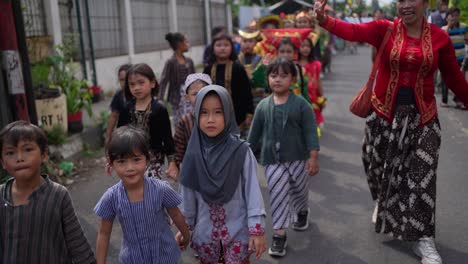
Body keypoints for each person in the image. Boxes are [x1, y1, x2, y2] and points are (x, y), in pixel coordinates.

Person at [314, 0, 468, 263]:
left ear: (425, 3)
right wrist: (324, 19)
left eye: (412, 0)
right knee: (377, 167)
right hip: (383, 117)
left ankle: (423, 238)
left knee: (422, 180)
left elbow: (454, 78)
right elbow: (352, 32)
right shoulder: (383, 29)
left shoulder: (440, 38)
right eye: (401, 1)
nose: (406, 5)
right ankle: (382, 202)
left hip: (424, 119)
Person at [178, 85, 267, 263]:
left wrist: (256, 230)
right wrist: (184, 228)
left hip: (237, 233)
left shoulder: (241, 151)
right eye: (203, 112)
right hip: (205, 236)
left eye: (218, 112)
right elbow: (187, 196)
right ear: (195, 114)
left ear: (228, 113)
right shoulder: (193, 153)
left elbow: (252, 193)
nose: (210, 119)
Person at [248, 58, 320, 257]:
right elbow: (253, 135)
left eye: (283, 75)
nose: (277, 79)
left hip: (298, 158)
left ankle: (302, 211)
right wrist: (245, 154)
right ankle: (279, 235)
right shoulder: (263, 106)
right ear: (268, 79)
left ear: (293, 79)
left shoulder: (302, 105)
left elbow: (310, 132)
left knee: (299, 191)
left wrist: (313, 157)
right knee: (278, 194)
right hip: (272, 161)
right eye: (273, 75)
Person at [0, 121, 96, 263]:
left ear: (44, 155)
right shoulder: (1, 195)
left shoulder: (57, 195)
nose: (19, 158)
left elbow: (78, 245)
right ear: (2, 162)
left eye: (27, 149)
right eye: (10, 153)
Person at [95, 126, 190, 264]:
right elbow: (104, 233)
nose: (130, 168)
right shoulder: (111, 197)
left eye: (136, 160)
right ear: (111, 164)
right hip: (133, 259)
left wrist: (186, 236)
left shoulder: (161, 189)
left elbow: (176, 215)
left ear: (147, 159)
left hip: (166, 257)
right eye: (122, 161)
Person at [121, 63, 178, 180]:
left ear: (152, 83)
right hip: (130, 158)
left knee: (151, 188)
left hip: (154, 160)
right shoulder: (126, 108)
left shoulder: (160, 109)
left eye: (141, 82)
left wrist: (172, 163)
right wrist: (113, 157)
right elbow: (119, 134)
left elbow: (167, 138)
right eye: (132, 84)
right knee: (133, 187)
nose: (136, 87)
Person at [203, 35, 254, 130]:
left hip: (237, 115)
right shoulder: (208, 69)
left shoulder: (238, 69)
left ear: (232, 48)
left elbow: (246, 91)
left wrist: (249, 113)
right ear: (212, 48)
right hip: (213, 114)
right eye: (218, 45)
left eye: (226, 45)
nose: (222, 48)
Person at [172, 73, 212, 176]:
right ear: (187, 97)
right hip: (194, 170)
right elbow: (179, 146)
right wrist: (175, 165)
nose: (200, 96)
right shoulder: (185, 121)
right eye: (195, 94)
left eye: (204, 92)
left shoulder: (220, 117)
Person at [159, 32, 195, 121]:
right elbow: (164, 81)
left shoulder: (189, 61)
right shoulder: (171, 62)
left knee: (192, 121)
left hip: (190, 97)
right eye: (186, 42)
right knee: (179, 122)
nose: (188, 44)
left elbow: (195, 79)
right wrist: (159, 99)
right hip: (177, 99)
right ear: (179, 44)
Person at [440, 7, 468, 108]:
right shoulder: (443, 29)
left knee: (460, 79)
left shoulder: (463, 27)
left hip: (461, 58)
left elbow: (466, 40)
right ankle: (444, 100)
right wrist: (449, 26)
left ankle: (459, 100)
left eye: (457, 15)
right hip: (448, 60)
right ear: (447, 17)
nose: (455, 18)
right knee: (446, 80)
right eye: (452, 15)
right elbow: (443, 40)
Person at [298, 37, 326, 129]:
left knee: (314, 123)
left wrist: (322, 97)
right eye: (302, 46)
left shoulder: (316, 64)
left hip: (313, 97)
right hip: (299, 95)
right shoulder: (294, 64)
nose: (305, 48)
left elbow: (318, 81)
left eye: (308, 46)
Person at [105, 63, 131, 147]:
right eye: (121, 80)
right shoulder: (119, 95)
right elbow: (114, 116)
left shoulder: (140, 95)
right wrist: (108, 136)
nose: (124, 83)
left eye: (126, 79)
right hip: (124, 135)